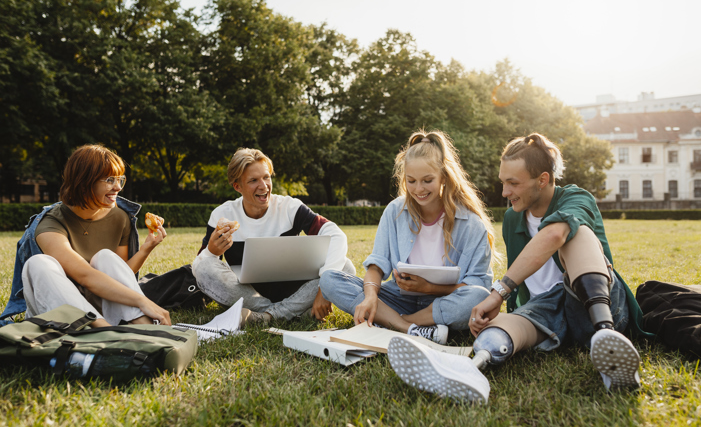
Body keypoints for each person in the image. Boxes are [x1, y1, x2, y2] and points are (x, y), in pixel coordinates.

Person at [388, 133, 650, 402]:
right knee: (495, 328)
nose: (504, 192)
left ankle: (606, 336)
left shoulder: (576, 198)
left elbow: (553, 237)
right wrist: (496, 312)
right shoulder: (513, 219)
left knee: (577, 232)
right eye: (503, 182)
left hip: (594, 305)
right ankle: (468, 368)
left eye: (512, 183)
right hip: (545, 313)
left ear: (543, 180)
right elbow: (523, 283)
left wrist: (497, 292)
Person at [319, 130, 499, 344]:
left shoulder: (471, 223)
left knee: (480, 296)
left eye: (427, 180)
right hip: (399, 297)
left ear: (444, 176)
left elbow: (477, 285)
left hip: (445, 302)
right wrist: (369, 297)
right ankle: (410, 329)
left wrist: (429, 288)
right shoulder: (395, 211)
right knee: (329, 279)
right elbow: (377, 265)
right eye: (411, 181)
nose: (418, 189)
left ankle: (394, 323)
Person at [1, 145, 171, 328]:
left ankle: (143, 325)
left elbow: (121, 276)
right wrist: (143, 301)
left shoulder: (121, 218)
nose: (117, 187)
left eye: (120, 179)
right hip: (58, 309)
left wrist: (147, 248)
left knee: (105, 257)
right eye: (109, 180)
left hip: (99, 303)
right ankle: (103, 331)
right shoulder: (49, 224)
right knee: (38, 263)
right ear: (84, 183)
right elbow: (85, 275)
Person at [192, 148, 355, 324]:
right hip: (250, 296)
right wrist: (211, 252)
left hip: (295, 291)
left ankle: (267, 318)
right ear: (237, 186)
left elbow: (335, 234)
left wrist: (324, 287)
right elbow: (201, 268)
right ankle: (293, 314)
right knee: (205, 267)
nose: (263, 186)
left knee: (346, 267)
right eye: (253, 180)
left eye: (266, 177)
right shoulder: (222, 215)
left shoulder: (289, 207)